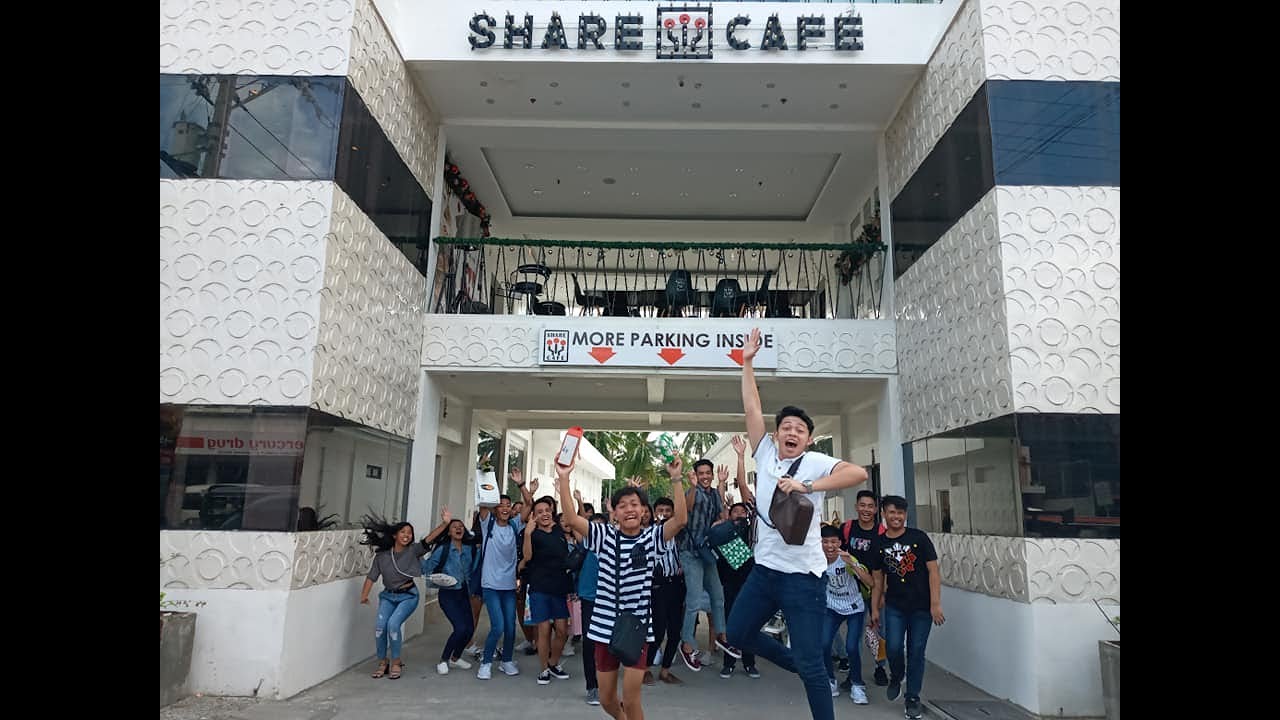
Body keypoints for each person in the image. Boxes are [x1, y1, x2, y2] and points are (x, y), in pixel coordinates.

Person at [725, 327, 870, 720]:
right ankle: (796, 662)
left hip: (804, 577)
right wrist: (748, 362)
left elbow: (857, 473)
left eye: (800, 430)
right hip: (765, 571)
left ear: (808, 440)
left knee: (813, 667)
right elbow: (751, 407)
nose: (792, 432)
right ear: (777, 434)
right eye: (786, 427)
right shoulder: (765, 453)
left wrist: (807, 485)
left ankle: (808, 669)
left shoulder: (816, 463)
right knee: (737, 633)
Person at [557, 451, 688, 720]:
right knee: (607, 700)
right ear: (614, 513)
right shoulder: (603, 535)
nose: (629, 509)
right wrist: (564, 478)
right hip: (604, 626)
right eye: (623, 505)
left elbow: (680, 521)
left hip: (636, 628)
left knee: (631, 698)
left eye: (635, 504)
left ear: (643, 511)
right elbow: (571, 519)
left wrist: (676, 479)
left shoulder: (652, 538)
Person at [871, 495, 944, 720]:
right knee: (893, 647)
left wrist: (935, 604)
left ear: (906, 514)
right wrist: (875, 608)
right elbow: (878, 580)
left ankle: (912, 698)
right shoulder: (879, 544)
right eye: (892, 512)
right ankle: (897, 675)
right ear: (884, 514)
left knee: (916, 652)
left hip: (922, 608)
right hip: (895, 606)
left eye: (901, 513)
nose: (897, 516)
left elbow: (933, 571)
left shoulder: (919, 538)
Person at [675, 457, 736, 671]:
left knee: (718, 596)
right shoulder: (691, 492)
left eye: (708, 473)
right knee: (693, 601)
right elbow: (687, 508)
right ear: (696, 475)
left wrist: (722, 483)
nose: (705, 477)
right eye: (701, 473)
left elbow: (722, 515)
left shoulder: (714, 493)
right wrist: (692, 486)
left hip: (707, 551)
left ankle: (721, 635)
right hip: (690, 552)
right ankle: (687, 643)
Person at [474, 469, 535, 680]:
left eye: (508, 505)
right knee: (498, 626)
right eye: (501, 505)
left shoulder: (514, 525)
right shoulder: (487, 523)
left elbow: (529, 504)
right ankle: (486, 663)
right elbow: (483, 500)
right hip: (490, 585)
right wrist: (485, 471)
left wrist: (521, 484)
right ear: (495, 508)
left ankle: (506, 661)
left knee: (510, 627)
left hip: (509, 586)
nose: (506, 508)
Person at [358, 515, 431, 680]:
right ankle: (383, 662)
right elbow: (371, 577)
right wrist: (364, 595)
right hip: (388, 596)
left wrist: (445, 523)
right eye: (403, 532)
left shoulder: (413, 550)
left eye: (410, 533)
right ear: (394, 535)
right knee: (380, 627)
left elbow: (428, 540)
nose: (407, 535)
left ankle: (396, 662)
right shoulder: (382, 556)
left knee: (393, 625)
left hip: (408, 596)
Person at [717, 435, 760, 680]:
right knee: (731, 619)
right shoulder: (728, 529)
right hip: (731, 578)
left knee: (750, 619)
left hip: (752, 573)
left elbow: (744, 491)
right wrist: (740, 458)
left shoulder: (755, 518)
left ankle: (750, 662)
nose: (741, 513)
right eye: (737, 511)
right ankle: (729, 662)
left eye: (744, 510)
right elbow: (731, 497)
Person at [520, 496, 574, 685]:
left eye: (547, 511)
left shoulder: (558, 530)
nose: (544, 514)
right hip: (539, 587)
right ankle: (543, 669)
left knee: (562, 631)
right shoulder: (532, 533)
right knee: (543, 630)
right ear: (534, 516)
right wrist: (528, 534)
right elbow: (527, 557)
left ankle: (553, 663)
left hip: (559, 587)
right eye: (540, 512)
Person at [839, 490, 889, 691]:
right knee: (855, 634)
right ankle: (854, 673)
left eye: (870, 506)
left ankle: (880, 667)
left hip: (876, 588)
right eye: (862, 505)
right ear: (856, 506)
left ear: (876, 509)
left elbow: (886, 566)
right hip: (852, 590)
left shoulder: (882, 533)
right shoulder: (847, 528)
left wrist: (882, 592)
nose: (866, 509)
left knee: (880, 631)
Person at [420, 506, 478, 676]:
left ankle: (455, 658)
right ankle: (443, 660)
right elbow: (427, 567)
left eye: (461, 526)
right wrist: (416, 556)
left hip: (464, 593)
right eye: (454, 527)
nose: (458, 528)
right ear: (449, 532)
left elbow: (474, 568)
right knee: (460, 628)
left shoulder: (469, 549)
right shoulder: (443, 549)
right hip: (448, 594)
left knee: (469, 629)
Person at [818, 525, 868, 703]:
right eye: (825, 542)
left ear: (840, 542)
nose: (829, 546)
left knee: (852, 647)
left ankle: (857, 684)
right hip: (832, 607)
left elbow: (870, 582)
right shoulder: (817, 560)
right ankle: (830, 680)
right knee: (824, 643)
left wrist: (852, 563)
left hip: (854, 608)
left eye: (833, 542)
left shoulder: (846, 559)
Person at [644, 495, 686, 685]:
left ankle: (665, 671)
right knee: (658, 630)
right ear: (655, 513)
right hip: (657, 586)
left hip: (676, 584)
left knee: (675, 631)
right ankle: (645, 668)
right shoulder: (650, 533)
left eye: (668, 511)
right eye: (660, 510)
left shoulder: (681, 534)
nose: (664, 514)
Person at [577, 512, 609, 705]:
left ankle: (606, 685)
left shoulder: (612, 547)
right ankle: (592, 687)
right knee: (589, 643)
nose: (596, 530)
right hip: (589, 599)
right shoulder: (586, 544)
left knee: (608, 645)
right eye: (593, 526)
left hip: (609, 601)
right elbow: (575, 521)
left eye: (600, 526)